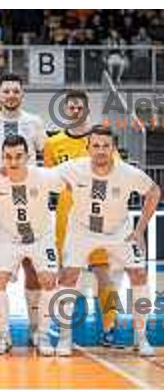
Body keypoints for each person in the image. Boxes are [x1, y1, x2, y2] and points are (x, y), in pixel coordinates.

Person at [57, 126, 161, 357]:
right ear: (88, 148)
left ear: (113, 148)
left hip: (118, 231)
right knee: (68, 276)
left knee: (139, 274)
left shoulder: (128, 173)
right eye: (96, 146)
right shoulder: (72, 169)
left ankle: (140, 337)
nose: (101, 150)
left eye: (106, 146)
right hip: (82, 230)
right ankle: (64, 338)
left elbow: (154, 192)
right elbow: (42, 179)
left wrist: (140, 229)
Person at [0, 73, 46, 348]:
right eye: (6, 91)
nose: (11, 95)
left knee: (32, 266)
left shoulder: (34, 122)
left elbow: (45, 156)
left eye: (16, 91)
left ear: (22, 94)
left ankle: (37, 328)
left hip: (29, 204)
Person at [44, 90, 119, 346]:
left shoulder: (100, 140)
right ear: (65, 110)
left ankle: (110, 326)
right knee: (68, 276)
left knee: (104, 274)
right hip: (68, 218)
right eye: (71, 107)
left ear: (86, 110)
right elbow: (48, 181)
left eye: (79, 107)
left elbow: (115, 173)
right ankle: (63, 330)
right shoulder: (53, 144)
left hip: (99, 219)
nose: (75, 111)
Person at [0, 136, 62, 356]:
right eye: (8, 157)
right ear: (2, 158)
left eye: (19, 156)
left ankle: (42, 332)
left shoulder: (45, 176)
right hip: (9, 238)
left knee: (48, 279)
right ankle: (2, 334)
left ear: (28, 156)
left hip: (41, 237)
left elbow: (73, 184)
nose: (13, 161)